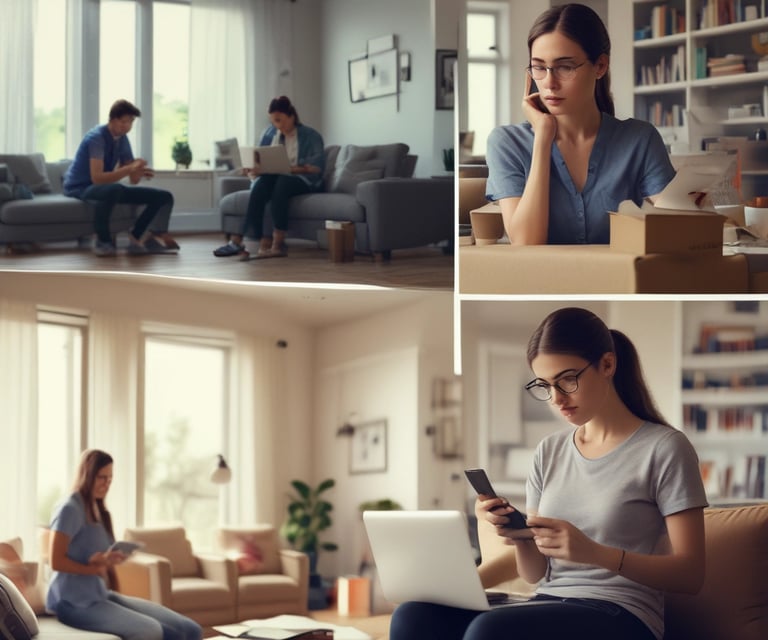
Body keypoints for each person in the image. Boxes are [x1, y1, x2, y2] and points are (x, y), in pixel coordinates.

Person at [390, 307, 707, 640]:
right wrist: (520, 537)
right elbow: (534, 573)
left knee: (489, 631)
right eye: (545, 385)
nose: (557, 399)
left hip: (622, 613)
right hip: (549, 600)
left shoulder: (665, 448)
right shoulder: (549, 451)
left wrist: (595, 552)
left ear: (607, 365)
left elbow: (691, 574)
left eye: (568, 380)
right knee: (413, 616)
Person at [485, 4, 676, 245]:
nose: (549, 83)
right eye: (539, 67)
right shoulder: (507, 143)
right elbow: (525, 244)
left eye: (565, 67)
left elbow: (679, 224)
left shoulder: (640, 139)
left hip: (620, 280)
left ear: (600, 66)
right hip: (541, 282)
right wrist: (543, 138)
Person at [46, 449, 202, 640]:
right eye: (102, 478)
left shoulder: (97, 508)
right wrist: (91, 568)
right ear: (87, 474)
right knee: (151, 630)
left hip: (99, 594)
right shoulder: (69, 508)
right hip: (73, 603)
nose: (106, 484)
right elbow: (56, 561)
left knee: (190, 629)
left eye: (110, 479)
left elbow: (96, 556)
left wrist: (109, 559)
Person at [63, 99, 180, 256]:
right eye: (123, 122)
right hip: (80, 188)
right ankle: (103, 241)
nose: (127, 126)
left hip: (106, 189)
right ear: (112, 119)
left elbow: (133, 180)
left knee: (163, 196)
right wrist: (129, 168)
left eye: (130, 122)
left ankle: (140, 236)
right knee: (114, 190)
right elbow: (97, 179)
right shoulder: (96, 138)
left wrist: (137, 171)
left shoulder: (122, 139)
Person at [213, 96, 325, 259]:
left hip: (303, 179)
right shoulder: (270, 133)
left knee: (282, 182)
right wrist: (254, 168)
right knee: (260, 186)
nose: (277, 125)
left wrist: (289, 169)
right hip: (274, 176)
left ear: (291, 116)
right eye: (273, 121)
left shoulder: (311, 135)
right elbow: (261, 158)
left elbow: (316, 168)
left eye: (280, 120)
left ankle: (278, 242)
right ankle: (240, 240)